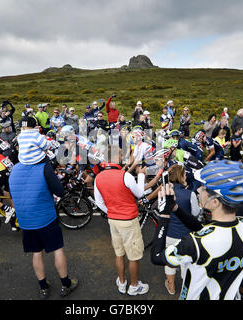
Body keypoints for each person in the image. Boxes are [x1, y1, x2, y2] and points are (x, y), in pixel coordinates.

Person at [151, 160, 243, 300]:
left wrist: (165, 215)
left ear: (215, 201)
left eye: (203, 188)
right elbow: (204, 229)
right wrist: (176, 209)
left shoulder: (196, 243)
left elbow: (157, 257)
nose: (198, 190)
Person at [9, 120, 78, 299]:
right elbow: (59, 191)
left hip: (25, 220)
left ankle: (43, 287)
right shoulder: (43, 167)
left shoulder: (14, 170)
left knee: (36, 253)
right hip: (46, 217)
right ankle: (66, 284)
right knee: (57, 249)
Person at [94, 163, 149, 296]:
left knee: (119, 253)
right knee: (133, 255)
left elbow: (99, 202)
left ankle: (122, 282)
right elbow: (140, 193)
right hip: (128, 220)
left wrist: (112, 212)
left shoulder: (98, 177)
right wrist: (141, 175)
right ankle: (134, 286)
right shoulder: (126, 176)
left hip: (113, 220)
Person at [163, 164, 200, 295]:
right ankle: (186, 290)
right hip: (186, 236)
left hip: (169, 234)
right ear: (181, 176)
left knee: (170, 261)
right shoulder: (190, 194)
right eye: (184, 174)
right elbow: (195, 213)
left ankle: (171, 286)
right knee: (186, 264)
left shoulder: (164, 192)